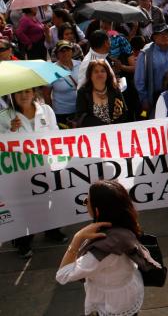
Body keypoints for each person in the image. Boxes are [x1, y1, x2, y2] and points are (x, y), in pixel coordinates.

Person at [55, 180, 156, 316]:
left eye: (87, 201)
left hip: (113, 304)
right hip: (129, 289)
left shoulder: (101, 251)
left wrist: (77, 239)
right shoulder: (125, 225)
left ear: (97, 210)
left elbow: (62, 275)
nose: (86, 205)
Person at [0, 87, 66, 257]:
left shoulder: (46, 110)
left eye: (27, 91)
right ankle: (23, 241)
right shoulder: (4, 116)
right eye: (19, 92)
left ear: (34, 93)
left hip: (45, 165)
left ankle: (52, 231)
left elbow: (55, 133)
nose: (23, 95)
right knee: (24, 205)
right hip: (19, 171)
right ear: (12, 94)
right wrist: (11, 131)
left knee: (48, 199)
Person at [134, 24, 168, 117]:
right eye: (160, 34)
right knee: (153, 120)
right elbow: (139, 80)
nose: (164, 36)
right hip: (154, 97)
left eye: (167, 34)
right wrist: (144, 99)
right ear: (154, 37)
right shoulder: (146, 53)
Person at [76, 59, 128, 127]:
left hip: (114, 131)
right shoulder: (82, 92)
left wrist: (113, 127)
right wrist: (104, 126)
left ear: (107, 74)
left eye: (103, 71)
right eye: (96, 71)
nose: (100, 74)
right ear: (90, 75)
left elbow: (124, 112)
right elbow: (81, 116)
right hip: (93, 132)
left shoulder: (115, 90)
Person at [46, 40, 81, 128]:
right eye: (62, 51)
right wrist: (51, 114)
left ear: (72, 51)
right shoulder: (51, 70)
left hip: (80, 110)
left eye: (67, 50)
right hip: (61, 113)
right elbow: (46, 94)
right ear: (57, 54)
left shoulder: (80, 65)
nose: (65, 53)